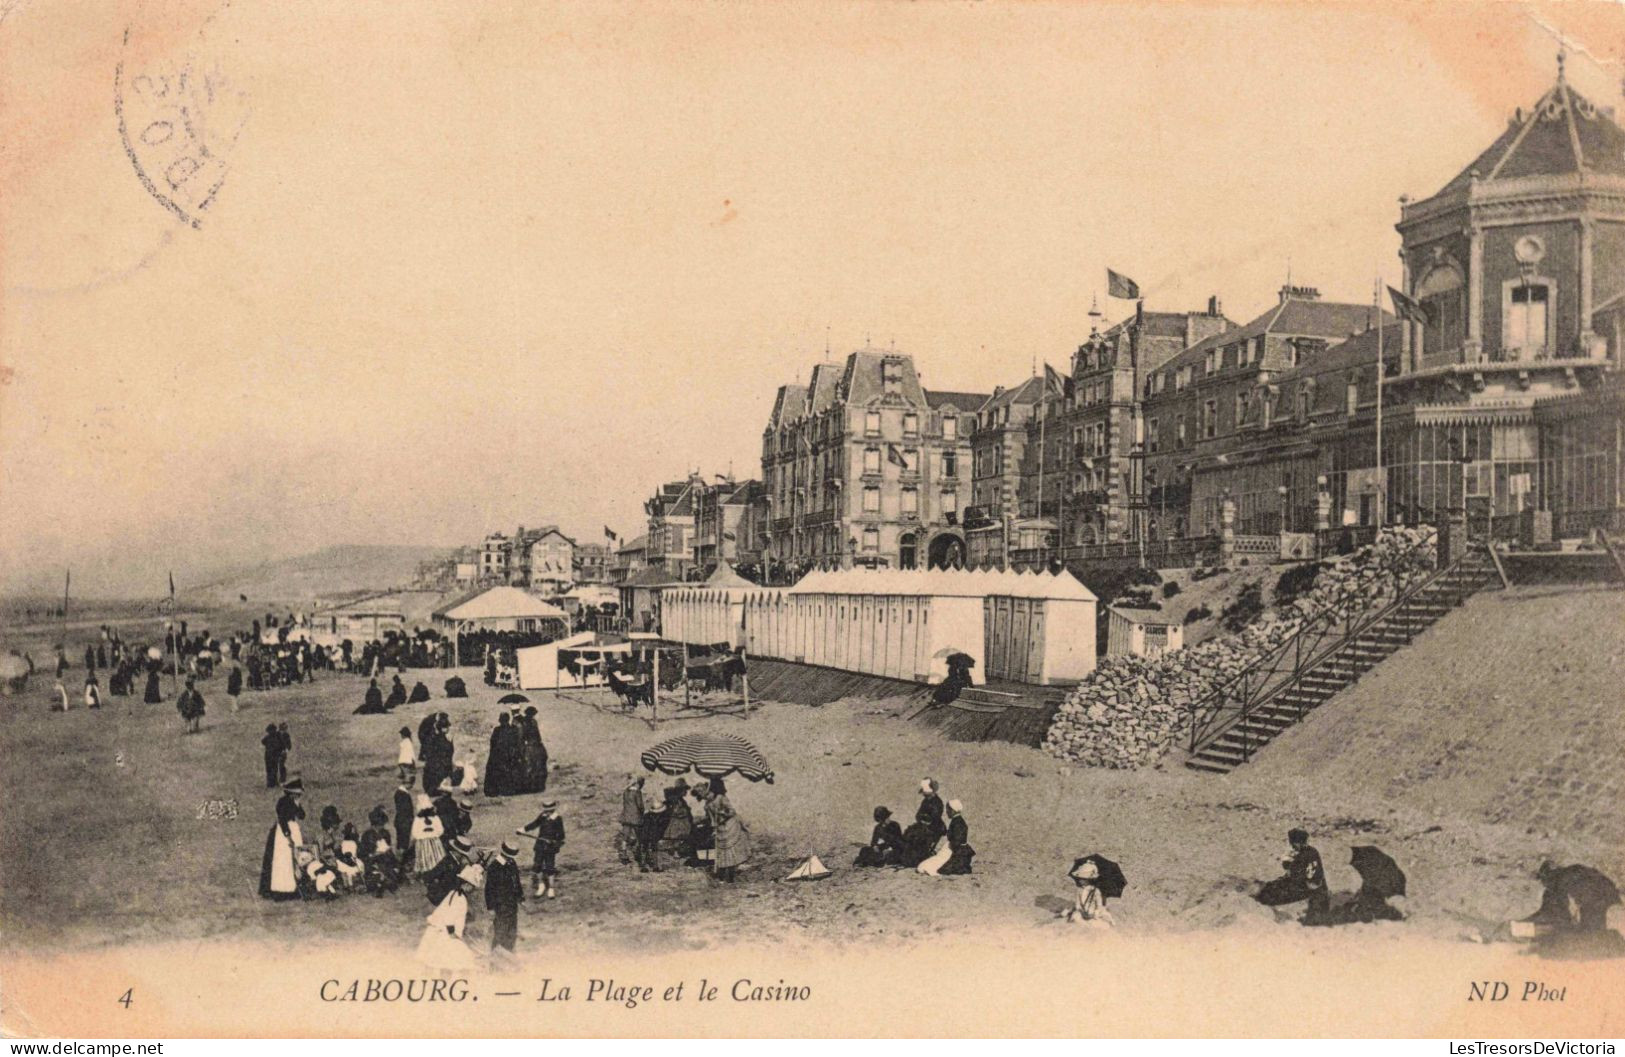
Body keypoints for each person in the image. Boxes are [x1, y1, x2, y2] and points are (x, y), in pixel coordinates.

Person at [416, 864, 482, 973]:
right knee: (450, 960)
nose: (472, 890)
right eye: (471, 886)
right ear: (465, 885)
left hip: (442, 929)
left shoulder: (453, 893)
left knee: (437, 960)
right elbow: (449, 916)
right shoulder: (460, 898)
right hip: (446, 932)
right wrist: (452, 933)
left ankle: (435, 976)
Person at [1254, 828, 1330, 923]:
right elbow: (1290, 869)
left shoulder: (1309, 854)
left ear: (1298, 842)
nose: (1292, 846)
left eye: (1293, 843)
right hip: (1302, 886)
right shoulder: (1304, 852)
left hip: (1309, 890)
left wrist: (1291, 880)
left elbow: (1312, 882)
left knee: (1268, 895)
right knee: (1269, 889)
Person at [258, 778, 306, 901]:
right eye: (298, 793)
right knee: (283, 861)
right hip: (283, 834)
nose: (299, 795)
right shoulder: (282, 802)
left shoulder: (295, 802)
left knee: (293, 860)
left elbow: (302, 816)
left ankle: (292, 888)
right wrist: (288, 836)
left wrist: (298, 804)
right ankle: (282, 890)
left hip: (293, 830)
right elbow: (282, 820)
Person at [704, 781, 751, 883]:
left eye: (709, 792)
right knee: (722, 852)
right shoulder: (708, 804)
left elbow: (731, 811)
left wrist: (721, 813)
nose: (708, 795)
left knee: (730, 851)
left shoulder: (721, 798)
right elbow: (711, 819)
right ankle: (721, 876)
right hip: (720, 828)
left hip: (730, 826)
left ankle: (730, 877)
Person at [485, 841, 525, 957]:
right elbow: (489, 889)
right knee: (500, 932)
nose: (510, 859)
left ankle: (508, 953)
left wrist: (520, 898)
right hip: (500, 906)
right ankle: (495, 958)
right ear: (503, 854)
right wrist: (491, 908)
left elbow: (516, 882)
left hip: (512, 905)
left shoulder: (512, 863)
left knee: (512, 931)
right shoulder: (494, 867)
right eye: (508, 857)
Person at [519, 800, 566, 898]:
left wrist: (553, 841)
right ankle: (541, 886)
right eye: (546, 810)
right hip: (540, 845)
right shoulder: (542, 816)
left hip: (550, 847)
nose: (547, 812)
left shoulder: (558, 819)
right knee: (537, 865)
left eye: (549, 811)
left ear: (553, 810)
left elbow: (561, 836)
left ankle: (551, 889)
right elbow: (534, 824)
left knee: (550, 867)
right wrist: (523, 829)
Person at [920, 799, 973, 876]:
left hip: (957, 852)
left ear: (953, 810)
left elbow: (957, 841)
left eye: (948, 810)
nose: (947, 812)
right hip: (956, 849)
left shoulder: (958, 823)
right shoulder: (957, 821)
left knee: (939, 868)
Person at [901, 779, 946, 867]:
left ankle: (918, 857)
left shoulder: (938, 802)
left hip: (934, 827)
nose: (924, 795)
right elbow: (918, 815)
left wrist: (925, 818)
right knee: (909, 833)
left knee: (920, 836)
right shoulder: (925, 801)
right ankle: (908, 857)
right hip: (923, 825)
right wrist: (922, 818)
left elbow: (935, 817)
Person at [360, 806, 403, 895]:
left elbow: (388, 845)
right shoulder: (367, 835)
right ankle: (382, 881)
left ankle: (388, 880)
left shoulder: (385, 833)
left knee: (392, 864)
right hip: (373, 859)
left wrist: (387, 851)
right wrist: (375, 853)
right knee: (381, 867)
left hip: (385, 856)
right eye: (379, 825)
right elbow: (365, 852)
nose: (381, 827)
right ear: (374, 824)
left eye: (382, 824)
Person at [424, 836, 476, 906]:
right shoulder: (447, 862)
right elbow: (430, 876)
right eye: (462, 854)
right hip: (442, 895)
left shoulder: (459, 861)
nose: (464, 857)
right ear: (456, 852)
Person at [1066, 860, 1114, 927]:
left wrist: (1096, 911)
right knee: (1076, 917)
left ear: (1089, 880)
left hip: (1092, 912)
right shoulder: (1079, 890)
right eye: (1079, 878)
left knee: (1101, 921)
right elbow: (1078, 903)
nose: (1080, 880)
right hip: (1083, 912)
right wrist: (1079, 909)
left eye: (1083, 879)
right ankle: (1085, 923)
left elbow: (1099, 904)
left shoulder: (1095, 891)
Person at [485, 713, 522, 797]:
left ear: (500, 721)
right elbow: (517, 743)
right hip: (510, 755)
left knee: (496, 771)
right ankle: (508, 789)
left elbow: (492, 743)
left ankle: (496, 790)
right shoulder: (513, 729)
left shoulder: (497, 730)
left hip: (499, 755)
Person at [410, 795, 446, 879]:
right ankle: (435, 874)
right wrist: (433, 834)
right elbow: (441, 831)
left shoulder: (418, 819)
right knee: (436, 858)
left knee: (425, 858)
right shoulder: (435, 817)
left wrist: (422, 836)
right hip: (434, 841)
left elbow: (415, 833)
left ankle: (427, 874)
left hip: (423, 842)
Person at [518, 707, 548, 794]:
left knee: (530, 766)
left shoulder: (524, 723)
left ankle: (531, 786)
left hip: (529, 746)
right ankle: (539, 786)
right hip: (536, 745)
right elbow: (538, 736)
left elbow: (522, 736)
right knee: (539, 765)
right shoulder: (533, 722)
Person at [618, 775, 646, 866]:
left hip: (626, 817)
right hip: (635, 818)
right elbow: (640, 806)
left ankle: (623, 854)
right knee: (639, 836)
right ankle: (639, 854)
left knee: (625, 836)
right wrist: (642, 813)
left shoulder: (626, 791)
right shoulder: (637, 793)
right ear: (639, 783)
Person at [393, 781, 417, 872]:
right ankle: (400, 865)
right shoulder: (403, 794)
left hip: (401, 822)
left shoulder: (400, 793)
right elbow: (405, 811)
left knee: (400, 843)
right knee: (403, 844)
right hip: (404, 823)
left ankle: (399, 864)